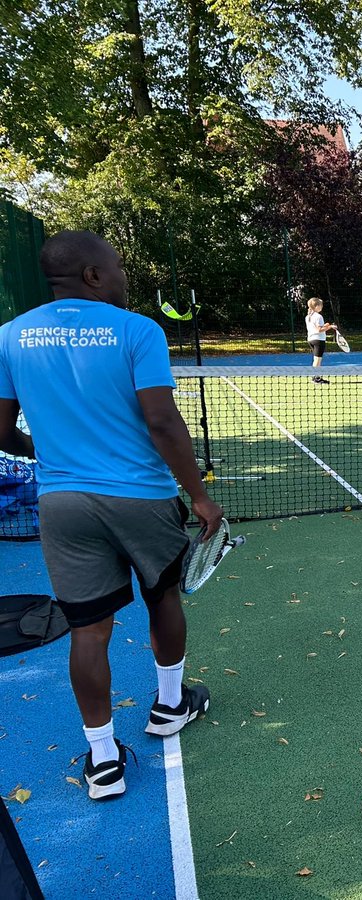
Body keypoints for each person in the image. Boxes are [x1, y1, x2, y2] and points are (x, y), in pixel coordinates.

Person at [0, 230, 222, 800]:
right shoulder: (138, 330)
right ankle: (169, 706)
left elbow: (0, 432)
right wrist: (199, 496)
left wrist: (45, 453)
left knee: (88, 630)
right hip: (142, 498)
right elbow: (162, 422)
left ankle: (103, 762)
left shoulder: (10, 335)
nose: (123, 275)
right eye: (117, 266)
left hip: (62, 504)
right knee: (163, 599)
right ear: (93, 275)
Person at [305, 297, 336, 384]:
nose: (322, 307)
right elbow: (319, 330)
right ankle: (316, 378)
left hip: (311, 339)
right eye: (321, 305)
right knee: (317, 360)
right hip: (318, 340)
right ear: (317, 306)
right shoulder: (318, 316)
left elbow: (316, 327)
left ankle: (315, 377)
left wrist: (326, 326)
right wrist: (330, 327)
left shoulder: (308, 316)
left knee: (316, 359)